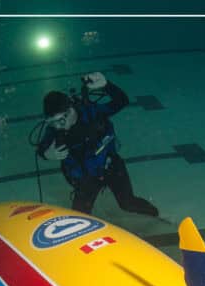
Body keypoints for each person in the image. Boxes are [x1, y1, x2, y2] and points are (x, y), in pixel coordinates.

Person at [37, 72, 159, 217]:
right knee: (79, 217)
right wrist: (46, 154)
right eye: (52, 122)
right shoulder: (54, 130)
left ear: (70, 111)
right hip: (85, 179)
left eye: (60, 120)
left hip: (111, 166)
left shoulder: (91, 113)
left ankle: (156, 215)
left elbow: (121, 101)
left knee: (127, 203)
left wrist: (107, 86)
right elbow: (42, 147)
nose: (58, 126)